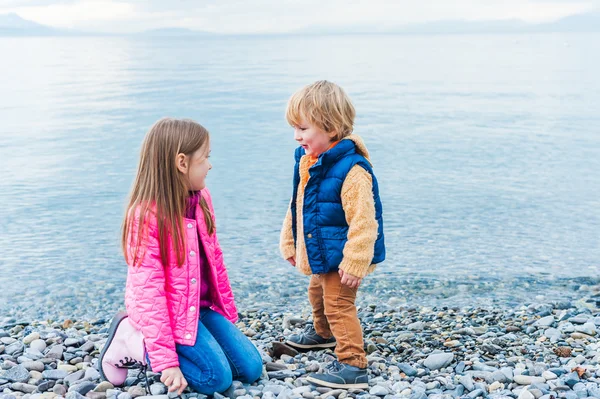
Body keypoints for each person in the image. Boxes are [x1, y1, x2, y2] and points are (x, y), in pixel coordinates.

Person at [98, 118, 263, 395]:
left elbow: (215, 260)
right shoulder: (146, 216)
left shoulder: (201, 199)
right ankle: (131, 340)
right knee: (215, 379)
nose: (210, 165)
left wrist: (225, 316)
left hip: (198, 309)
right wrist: (166, 362)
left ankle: (193, 342)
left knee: (250, 368)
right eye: (205, 159)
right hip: (169, 316)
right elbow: (149, 295)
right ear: (182, 163)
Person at [279, 81, 385, 389]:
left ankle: (353, 364)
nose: (297, 136)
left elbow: (365, 222)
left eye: (303, 128)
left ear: (331, 127)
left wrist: (355, 262)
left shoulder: (352, 171)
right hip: (321, 250)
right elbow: (297, 205)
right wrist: (291, 240)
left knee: (338, 303)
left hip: (345, 254)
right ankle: (323, 335)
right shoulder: (308, 161)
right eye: (294, 129)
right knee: (317, 292)